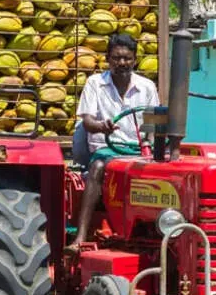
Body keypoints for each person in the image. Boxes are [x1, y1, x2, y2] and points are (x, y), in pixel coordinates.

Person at [68, 34, 159, 252]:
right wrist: (102, 126)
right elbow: (87, 120)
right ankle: (80, 236)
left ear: (134, 60)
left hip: (136, 149)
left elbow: (154, 123)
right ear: (108, 59)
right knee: (98, 167)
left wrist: (151, 143)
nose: (122, 63)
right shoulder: (95, 84)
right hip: (105, 147)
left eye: (127, 58)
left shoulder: (146, 87)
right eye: (116, 58)